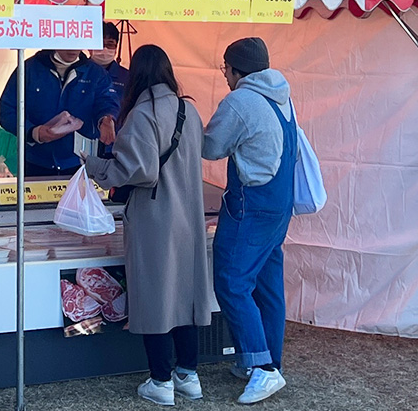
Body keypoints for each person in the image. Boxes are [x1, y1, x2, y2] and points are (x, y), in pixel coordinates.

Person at [84, 44, 213, 405]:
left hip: (156, 219)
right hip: (189, 216)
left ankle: (160, 381)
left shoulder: (143, 114)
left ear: (136, 74)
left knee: (156, 298)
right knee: (184, 297)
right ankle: (188, 374)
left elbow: (136, 171)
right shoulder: (189, 110)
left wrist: (92, 164)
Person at [202, 37, 296, 405]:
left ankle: (262, 369)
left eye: (225, 67)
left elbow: (211, 147)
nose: (224, 74)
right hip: (279, 202)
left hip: (250, 204)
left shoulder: (240, 100)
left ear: (237, 69)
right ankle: (268, 359)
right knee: (268, 286)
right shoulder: (282, 95)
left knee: (231, 281)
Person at [0, 46, 119, 178]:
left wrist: (107, 118)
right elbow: (7, 110)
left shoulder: (96, 73)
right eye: (68, 42)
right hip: (36, 161)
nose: (73, 48)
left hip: (80, 162)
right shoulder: (29, 68)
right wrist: (33, 132)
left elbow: (107, 101)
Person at [92, 22, 128, 156]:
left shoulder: (127, 77)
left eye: (110, 44)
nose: (105, 49)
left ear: (116, 47)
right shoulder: (77, 72)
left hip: (116, 147)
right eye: (100, 44)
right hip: (82, 145)